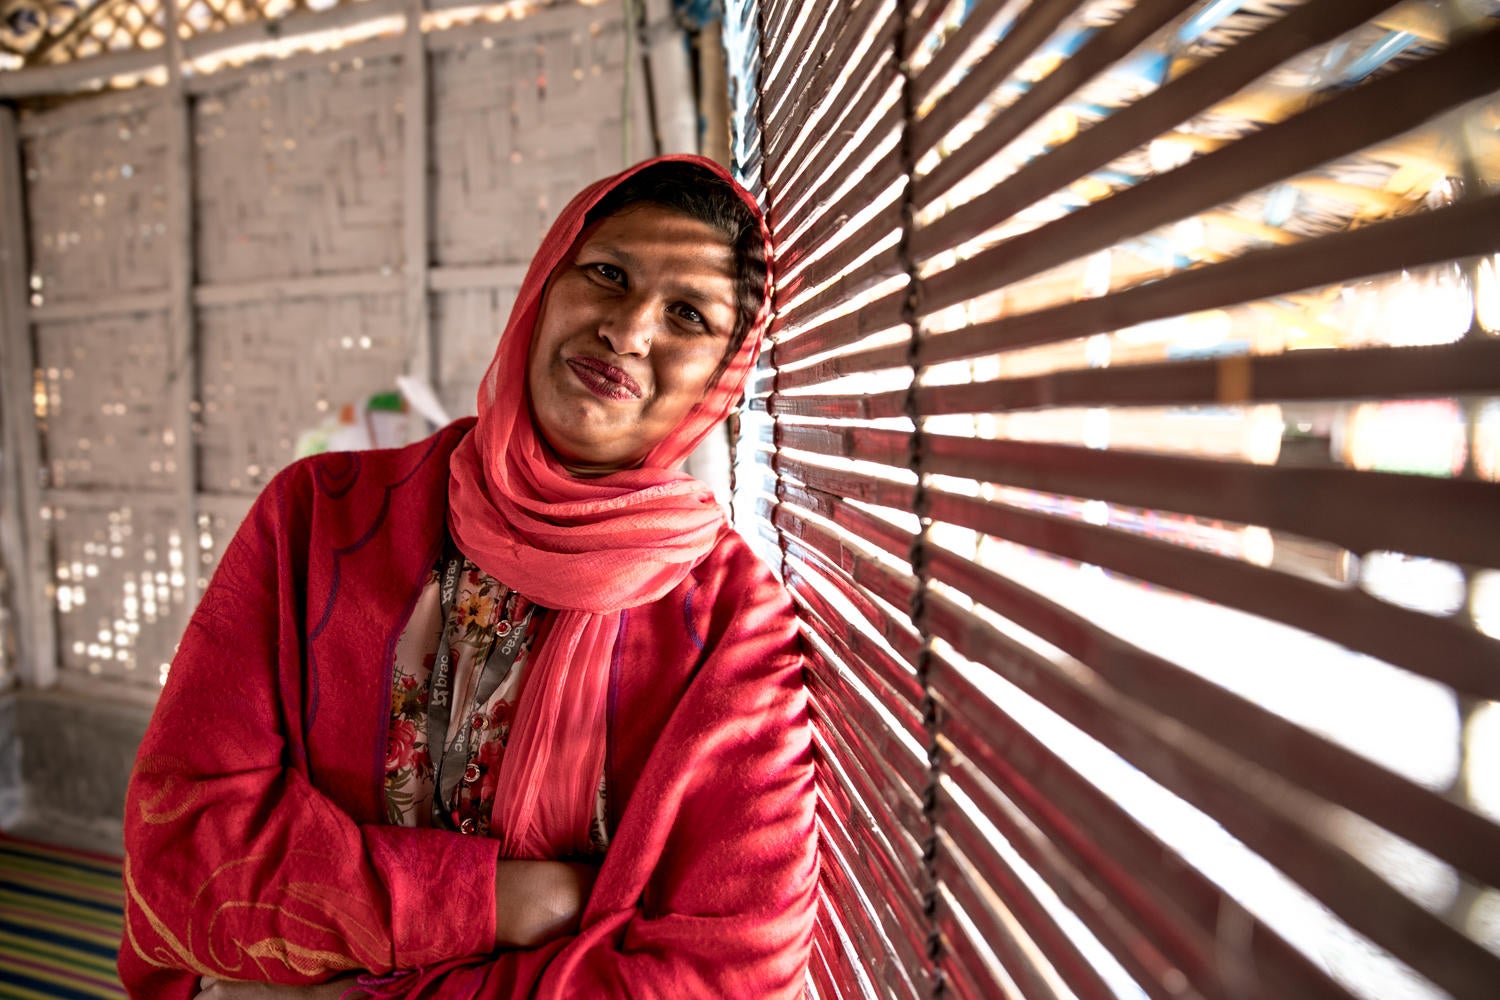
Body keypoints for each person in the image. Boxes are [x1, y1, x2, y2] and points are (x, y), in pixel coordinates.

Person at [119, 155, 817, 998]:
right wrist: (497, 900)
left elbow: (727, 971)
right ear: (544, 285)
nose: (628, 332)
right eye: (606, 274)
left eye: (687, 316)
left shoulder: (729, 622)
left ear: (722, 378)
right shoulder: (319, 518)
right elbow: (182, 850)